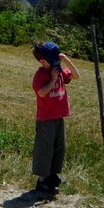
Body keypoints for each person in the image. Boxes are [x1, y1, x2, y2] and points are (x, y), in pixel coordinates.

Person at [30, 41, 80, 194]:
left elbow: (76, 75)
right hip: (46, 119)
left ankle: (54, 176)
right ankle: (43, 180)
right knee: (45, 149)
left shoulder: (58, 70)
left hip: (59, 117)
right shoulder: (41, 75)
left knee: (59, 148)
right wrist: (52, 79)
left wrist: (66, 61)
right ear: (43, 61)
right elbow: (42, 93)